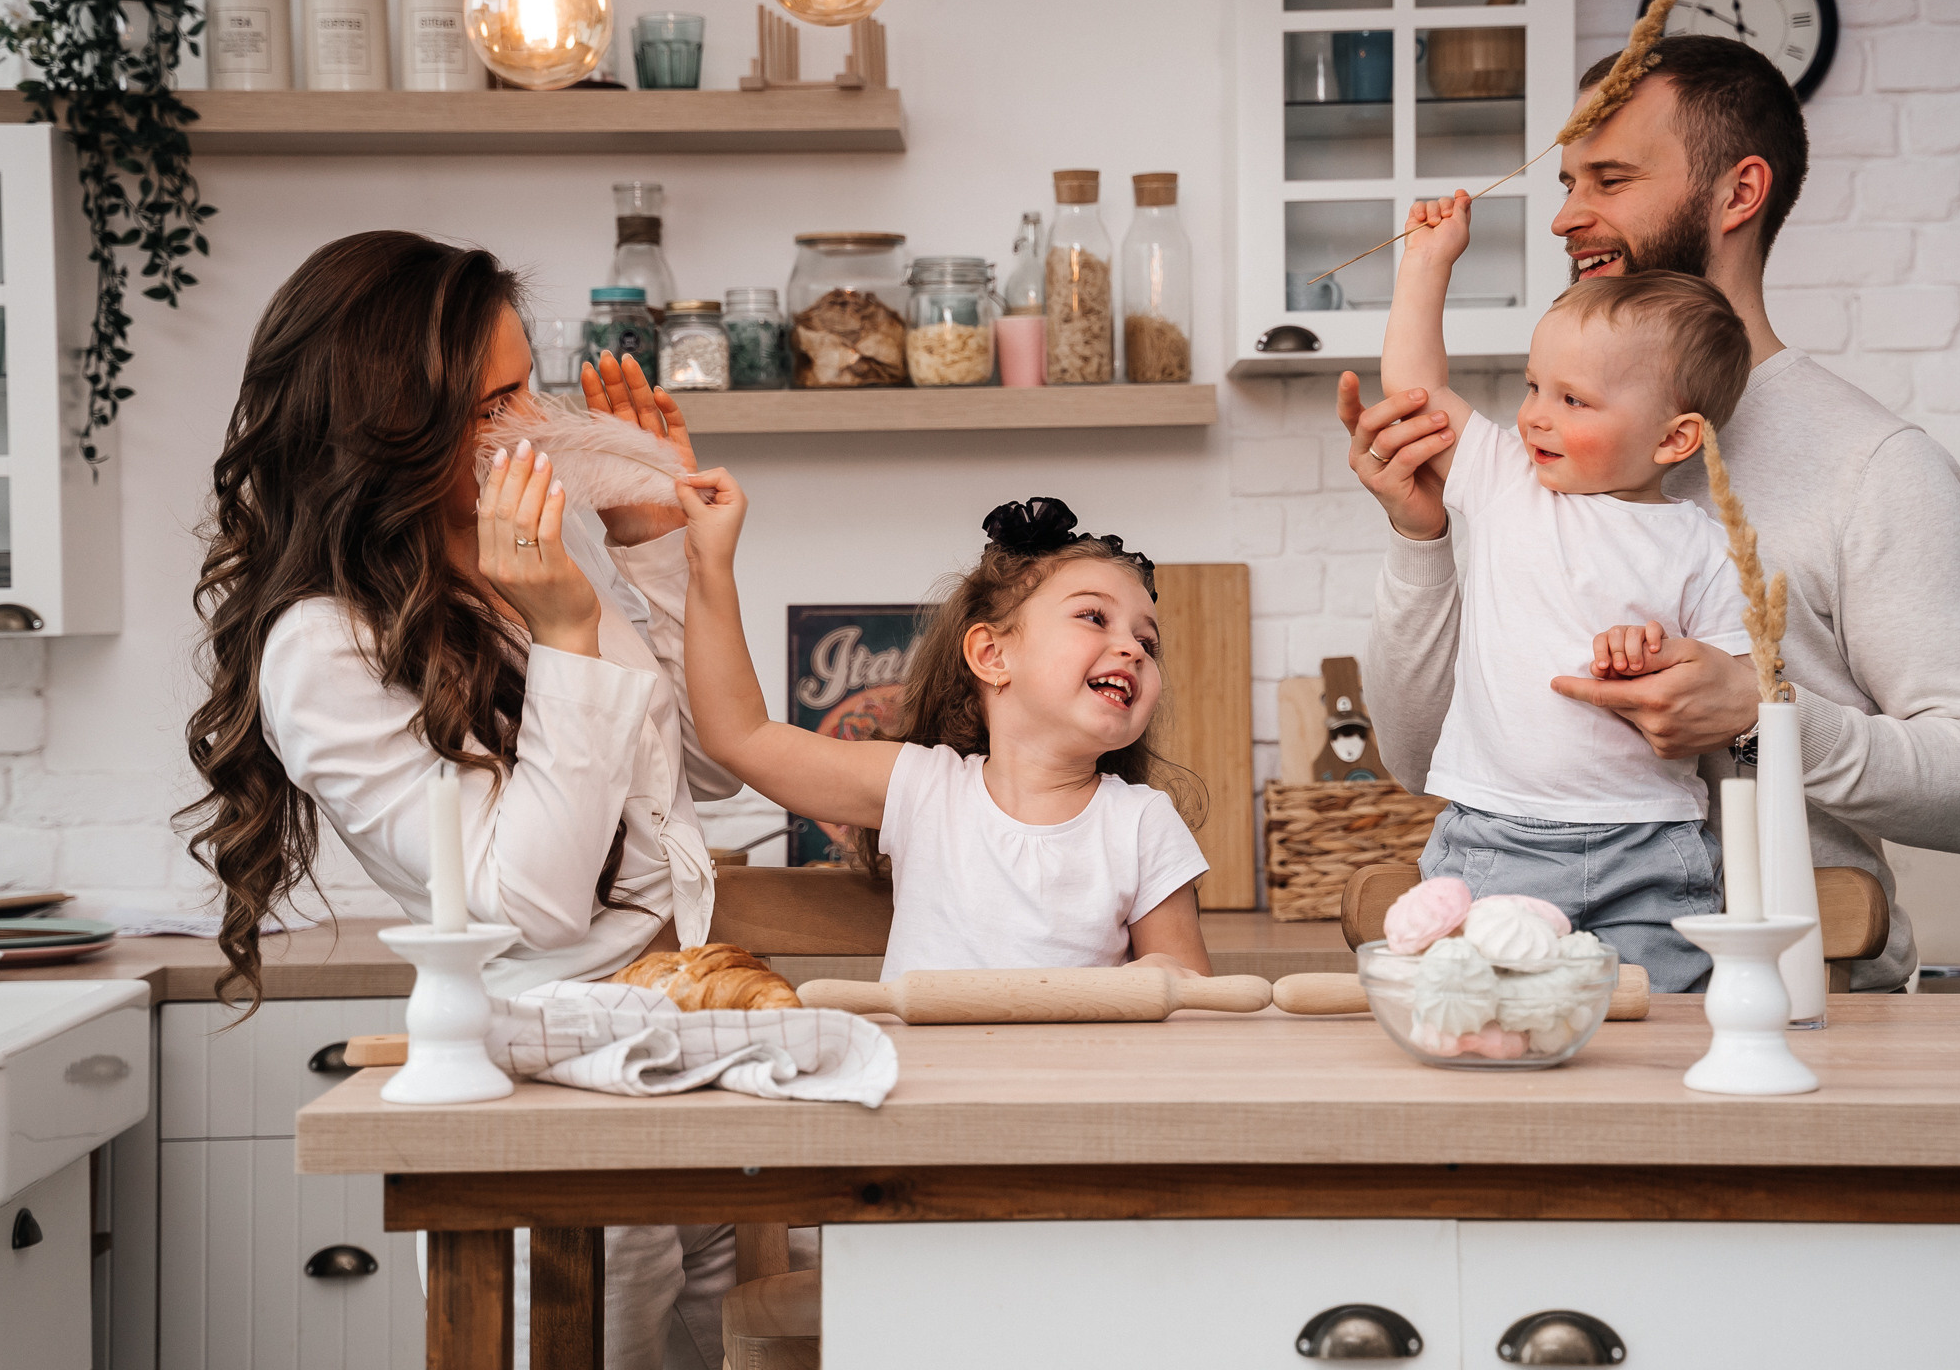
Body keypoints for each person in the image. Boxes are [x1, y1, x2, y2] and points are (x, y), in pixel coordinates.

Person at [1340, 35, 1960, 992]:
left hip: (1804, 1001)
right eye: (1568, 182)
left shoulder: (1876, 466)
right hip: (1551, 983)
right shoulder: (1555, 447)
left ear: (1738, 193)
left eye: (1611, 179)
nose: (1566, 217)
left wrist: (1763, 718)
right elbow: (1421, 760)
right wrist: (1422, 538)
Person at [180, 230, 753, 1370]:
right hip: (545, 1081)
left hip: (673, 1042)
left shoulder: (528, 552)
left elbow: (706, 770)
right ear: (388, 425)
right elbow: (526, 904)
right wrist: (569, 631)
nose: (532, 426)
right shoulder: (326, 646)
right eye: (492, 406)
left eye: (528, 388)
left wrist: (651, 543)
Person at [1378, 185, 1755, 991]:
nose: (1534, 418)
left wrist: (1663, 657)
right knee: (1483, 1017)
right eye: (1532, 387)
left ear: (1675, 438)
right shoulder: (1508, 482)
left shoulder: (1706, 544)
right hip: (1497, 838)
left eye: (1572, 399)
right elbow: (1414, 394)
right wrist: (1425, 265)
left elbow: (1735, 691)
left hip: (1649, 846)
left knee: (1659, 1026)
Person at [674, 486, 1215, 980]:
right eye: (1094, 617)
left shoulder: (1142, 823)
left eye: (1148, 643)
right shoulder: (923, 789)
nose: (1132, 649)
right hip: (920, 1060)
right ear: (992, 654)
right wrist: (710, 564)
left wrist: (1167, 976)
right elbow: (740, 736)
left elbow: (1194, 1003)